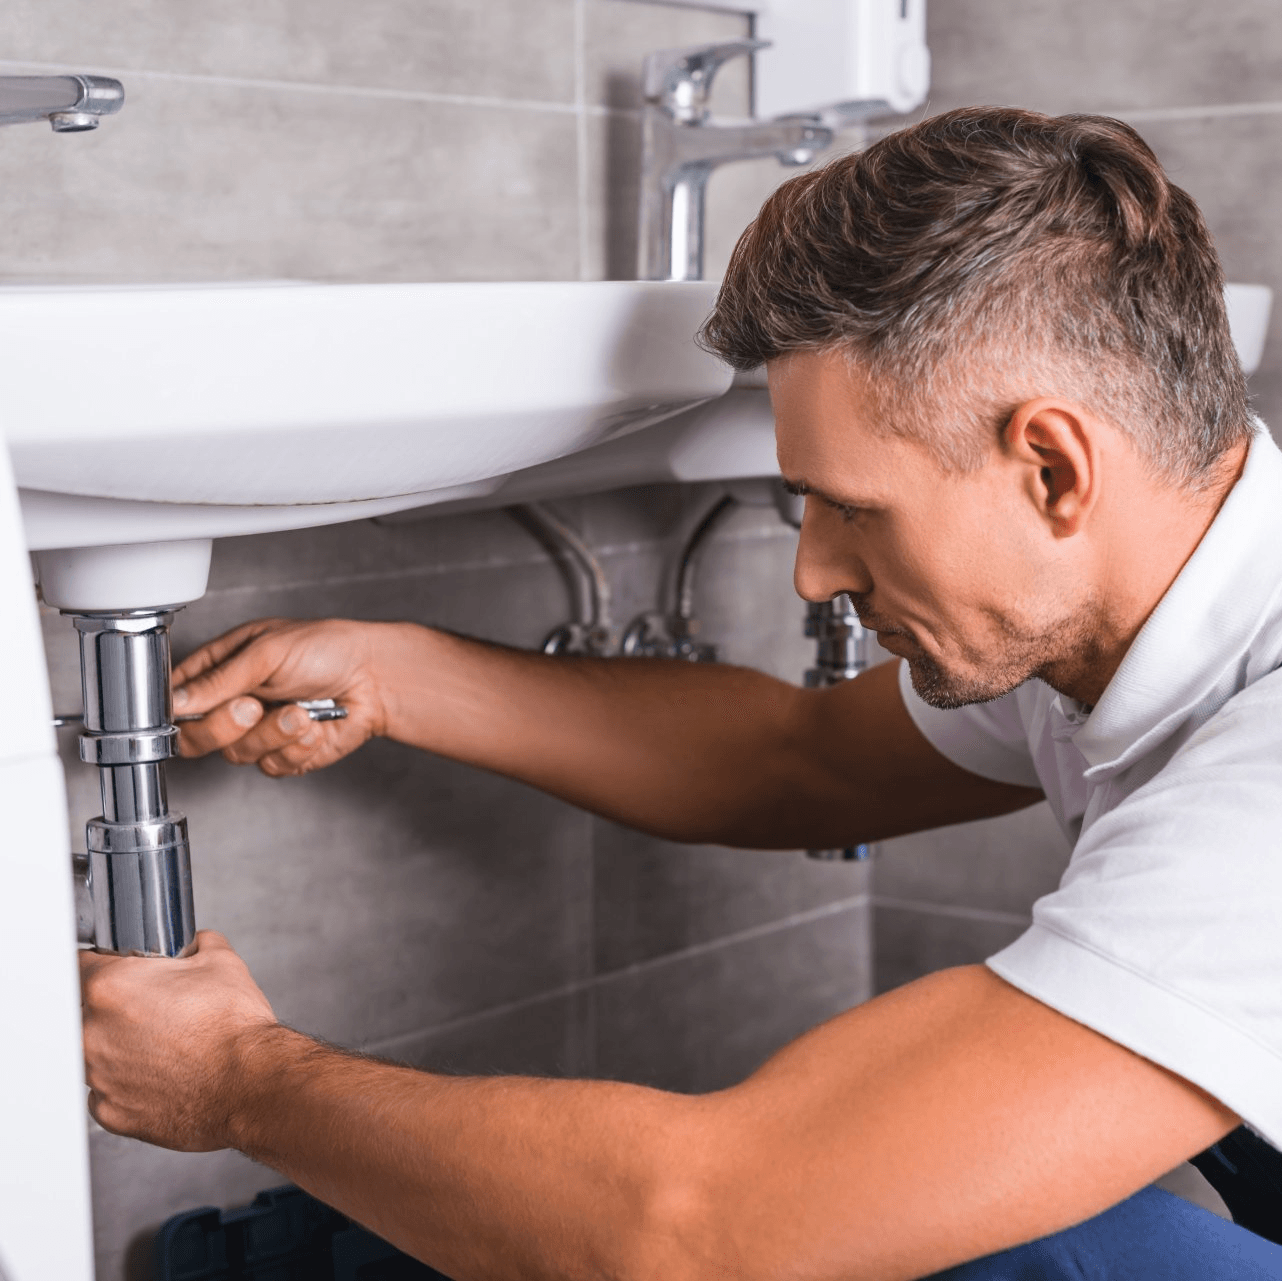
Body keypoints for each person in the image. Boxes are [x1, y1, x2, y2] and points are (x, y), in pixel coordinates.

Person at [79, 106, 1282, 1279]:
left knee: (1008, 1241)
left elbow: (709, 1229)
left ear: (1054, 469)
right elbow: (794, 761)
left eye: (856, 508)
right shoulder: (1115, 612)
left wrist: (239, 1082)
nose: (816, 567)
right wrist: (393, 673)